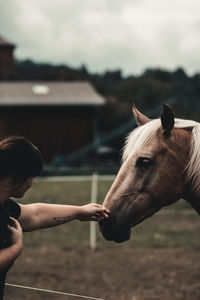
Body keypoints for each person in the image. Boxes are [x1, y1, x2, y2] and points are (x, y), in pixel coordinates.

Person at [0, 136, 110, 299]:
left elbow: (35, 214)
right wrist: (15, 249)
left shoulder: (4, 207)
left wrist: (79, 212)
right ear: (20, 176)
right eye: (33, 175)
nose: (33, 182)